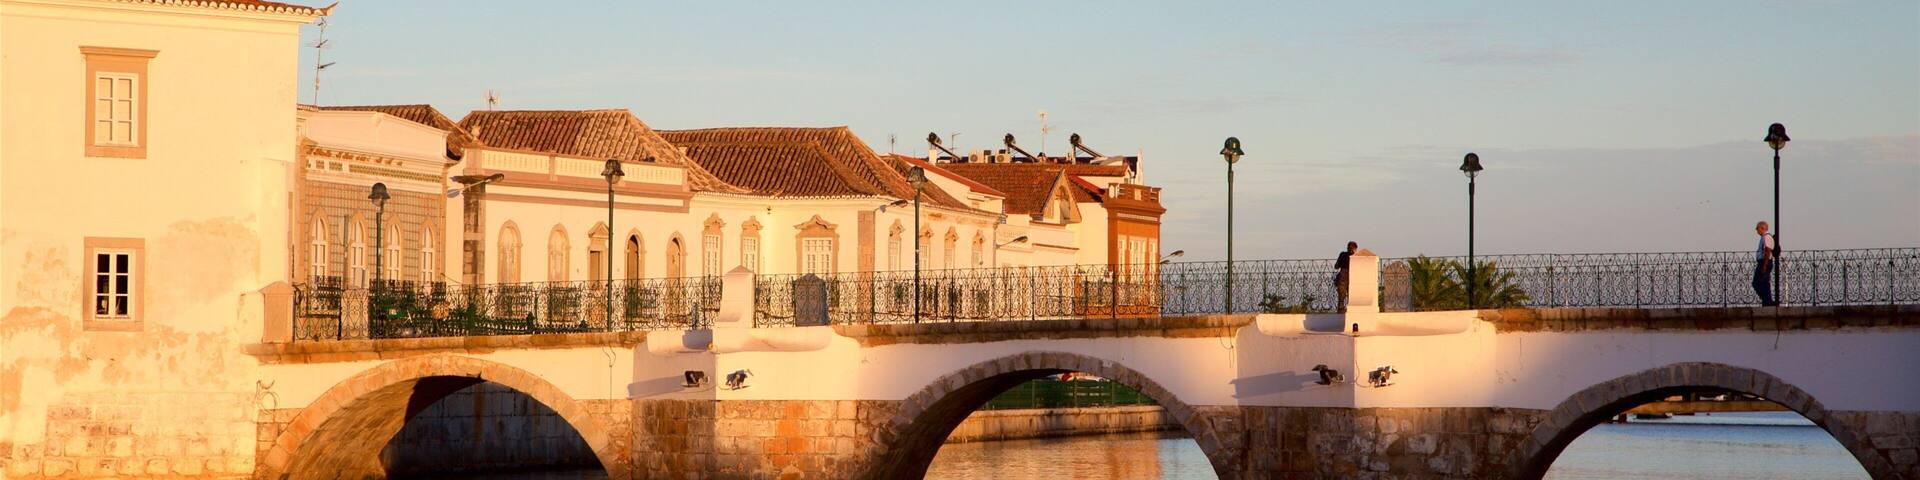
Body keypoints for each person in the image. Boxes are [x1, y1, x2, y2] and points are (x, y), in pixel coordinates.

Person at [1752, 221, 1778, 306]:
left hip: (1764, 262)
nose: (1756, 230)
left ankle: (1768, 301)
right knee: (1763, 283)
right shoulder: (1764, 237)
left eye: (1757, 228)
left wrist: (1764, 265)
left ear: (1762, 228)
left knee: (1758, 283)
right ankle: (1767, 301)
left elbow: (1767, 250)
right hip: (1763, 262)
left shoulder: (1766, 237)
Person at [1335, 241, 1358, 312]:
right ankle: (1350, 309)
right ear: (1355, 249)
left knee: (1341, 296)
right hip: (1352, 276)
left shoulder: (1342, 254)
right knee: (1352, 295)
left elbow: (1336, 266)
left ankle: (1341, 309)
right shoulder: (1356, 257)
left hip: (1342, 276)